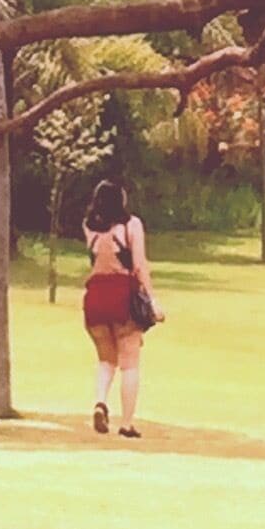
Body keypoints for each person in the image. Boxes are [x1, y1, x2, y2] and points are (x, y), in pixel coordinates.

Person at [82, 175, 158, 437]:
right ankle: (126, 424)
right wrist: (153, 300)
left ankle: (100, 402)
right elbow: (139, 265)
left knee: (106, 359)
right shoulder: (131, 225)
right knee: (129, 363)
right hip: (122, 295)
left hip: (95, 297)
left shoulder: (89, 227)